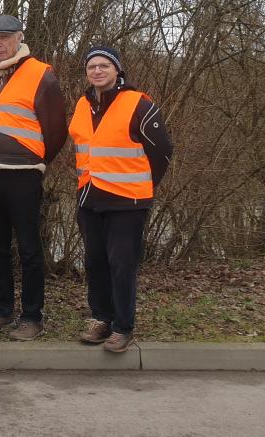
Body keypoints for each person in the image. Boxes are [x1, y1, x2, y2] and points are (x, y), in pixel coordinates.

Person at [0, 15, 68, 341]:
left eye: (5, 38)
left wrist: (35, 159)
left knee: (28, 247)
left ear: (19, 38)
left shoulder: (42, 74)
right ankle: (1, 310)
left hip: (23, 173)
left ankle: (32, 317)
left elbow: (55, 131)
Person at [71, 46, 173, 352]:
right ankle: (102, 318)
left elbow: (163, 152)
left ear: (117, 70)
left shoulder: (138, 103)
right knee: (95, 262)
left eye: (104, 65)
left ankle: (123, 326)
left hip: (127, 201)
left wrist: (143, 186)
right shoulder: (82, 104)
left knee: (122, 264)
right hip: (90, 196)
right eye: (92, 66)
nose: (98, 71)